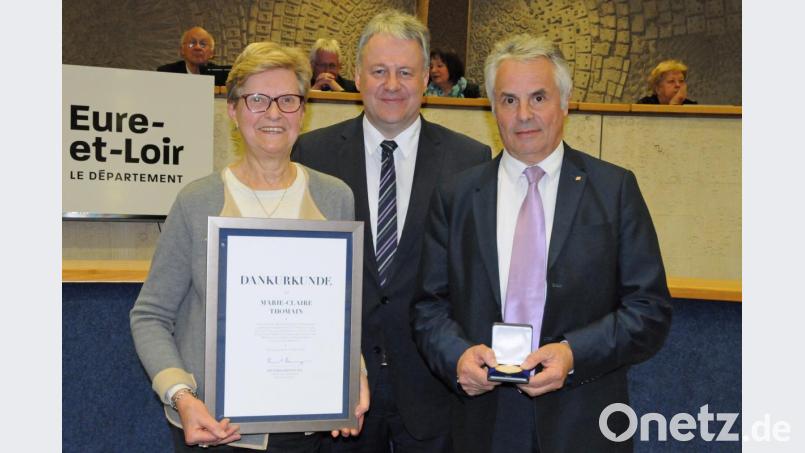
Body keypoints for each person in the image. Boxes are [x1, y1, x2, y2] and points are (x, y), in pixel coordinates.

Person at [412, 34, 672, 453]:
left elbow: (649, 311)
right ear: (492, 107)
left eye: (538, 97)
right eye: (509, 100)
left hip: (582, 417)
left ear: (564, 102)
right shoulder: (456, 196)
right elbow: (428, 307)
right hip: (483, 420)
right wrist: (457, 358)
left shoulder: (614, 189)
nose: (524, 115)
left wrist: (573, 355)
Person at [132, 41, 369, 452]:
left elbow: (341, 313)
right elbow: (150, 316)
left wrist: (355, 375)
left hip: (308, 428)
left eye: (288, 100)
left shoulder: (335, 198)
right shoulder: (197, 201)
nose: (274, 113)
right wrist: (182, 398)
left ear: (303, 109)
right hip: (216, 429)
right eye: (257, 99)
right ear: (233, 108)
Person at [293, 10, 490, 453]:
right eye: (379, 71)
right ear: (358, 77)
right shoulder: (312, 153)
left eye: (406, 72)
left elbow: (476, 277)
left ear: (425, 80)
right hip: (339, 390)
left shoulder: (470, 160)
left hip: (433, 387)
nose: (392, 84)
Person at [157, 26, 223, 77]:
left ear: (212, 53)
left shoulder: (220, 75)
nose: (197, 47)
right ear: (182, 50)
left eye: (203, 44)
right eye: (192, 43)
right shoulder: (166, 73)